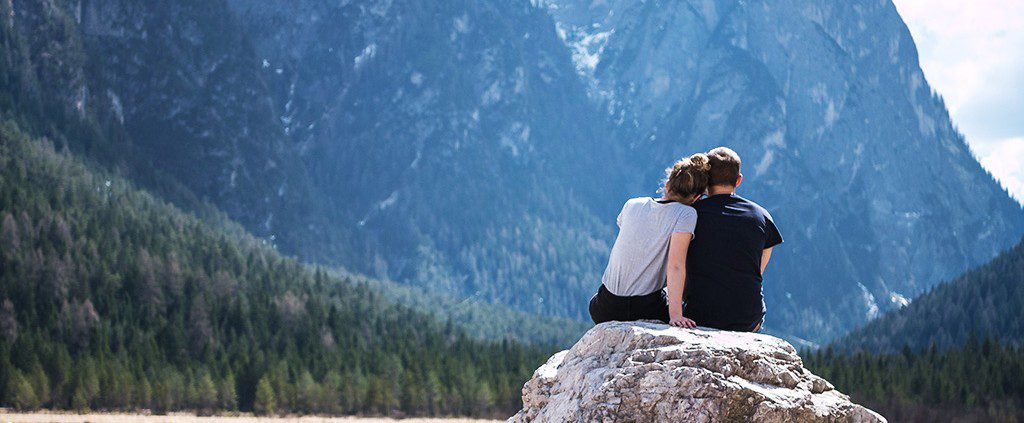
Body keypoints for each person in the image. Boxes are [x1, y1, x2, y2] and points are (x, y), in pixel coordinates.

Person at [589, 153, 710, 328]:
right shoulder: (686, 214)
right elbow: (676, 265)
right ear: (696, 198)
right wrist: (676, 315)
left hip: (605, 307)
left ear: (667, 185)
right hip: (644, 308)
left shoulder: (632, 204)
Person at [683, 147, 783, 332]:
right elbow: (758, 269)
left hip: (700, 315)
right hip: (748, 319)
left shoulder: (690, 215)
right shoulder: (761, 216)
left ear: (706, 180)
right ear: (738, 180)